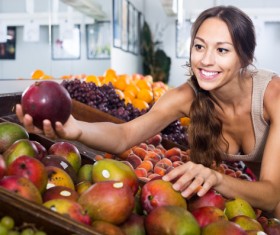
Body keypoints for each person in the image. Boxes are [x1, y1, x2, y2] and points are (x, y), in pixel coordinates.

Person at [16, 5, 280, 218]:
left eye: (222, 50)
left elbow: (270, 194)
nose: (206, 60)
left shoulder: (272, 96)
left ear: (245, 57)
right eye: (199, 47)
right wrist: (77, 129)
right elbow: (124, 135)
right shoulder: (187, 96)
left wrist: (214, 178)